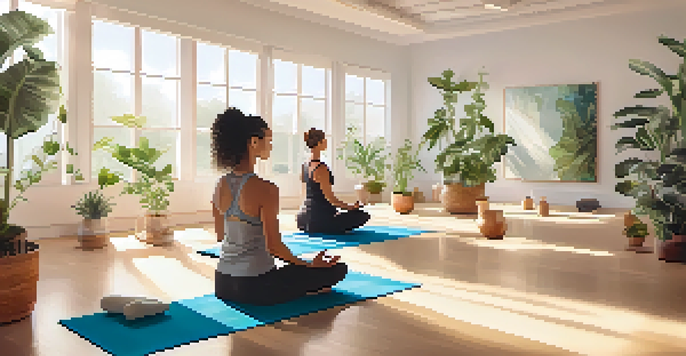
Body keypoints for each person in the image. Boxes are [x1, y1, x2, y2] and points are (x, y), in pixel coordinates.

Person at [211, 108, 347, 306]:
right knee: (337, 270)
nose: (271, 145)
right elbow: (273, 247)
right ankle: (312, 287)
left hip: (222, 283)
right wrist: (308, 266)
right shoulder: (267, 189)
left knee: (298, 274)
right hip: (255, 287)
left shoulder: (219, 185)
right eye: (268, 139)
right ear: (254, 142)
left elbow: (220, 236)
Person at [296, 128, 371, 234]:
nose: (326, 142)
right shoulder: (321, 168)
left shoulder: (304, 166)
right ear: (320, 142)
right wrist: (351, 207)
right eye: (324, 140)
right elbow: (331, 200)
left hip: (302, 220)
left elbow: (303, 195)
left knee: (338, 214)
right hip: (318, 221)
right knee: (363, 215)